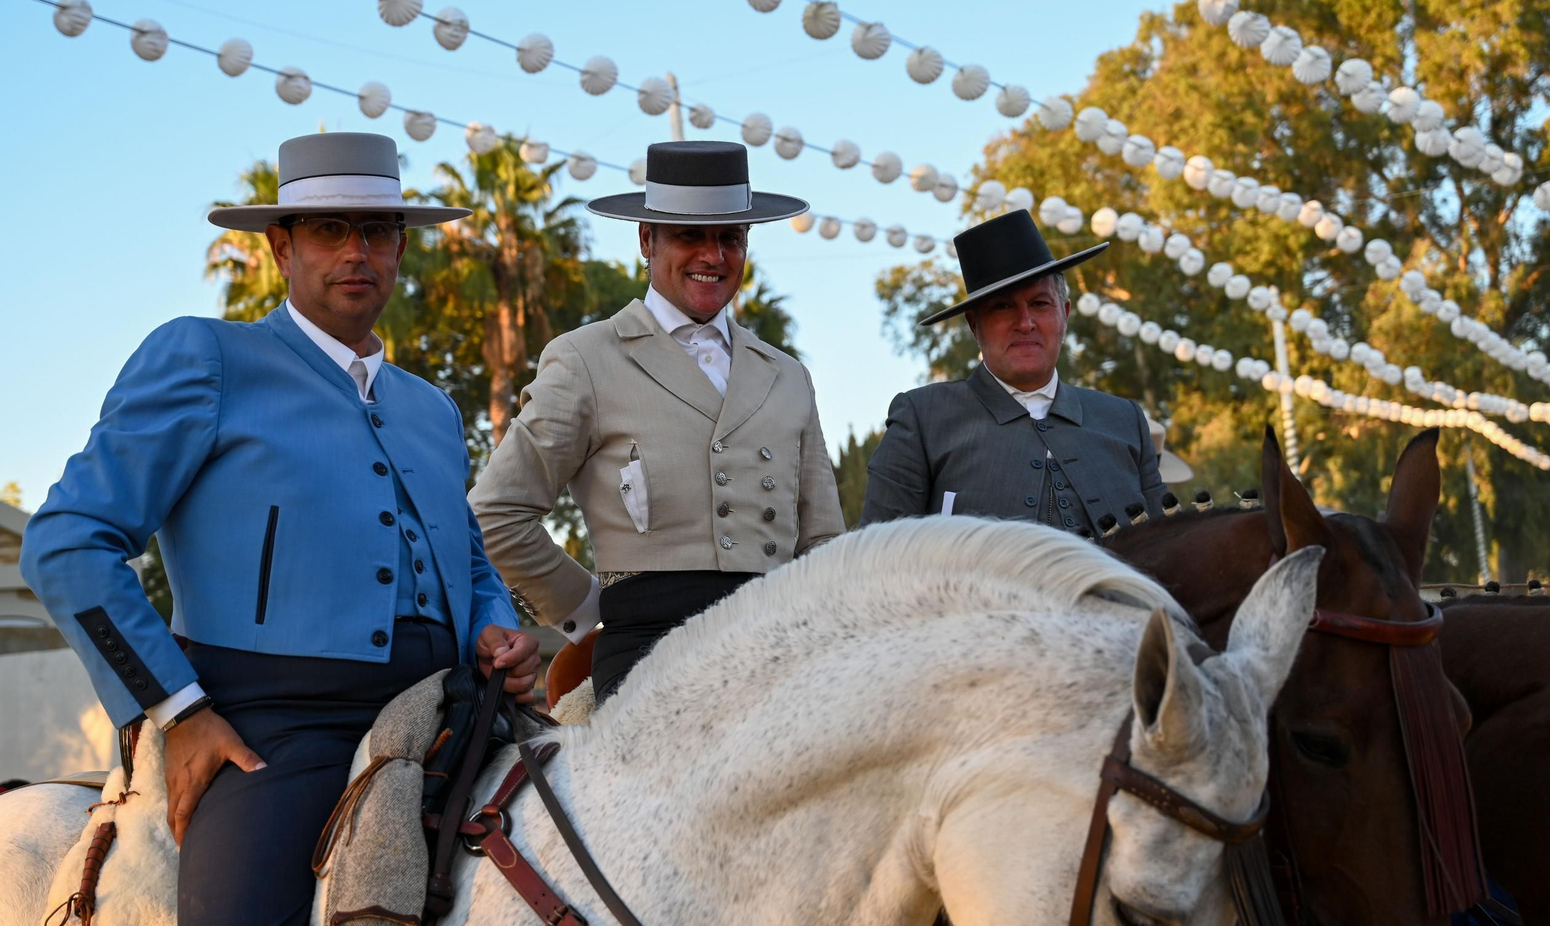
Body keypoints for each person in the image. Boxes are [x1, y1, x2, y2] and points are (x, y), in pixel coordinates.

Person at [21, 132, 535, 926]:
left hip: (453, 710)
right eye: (330, 229)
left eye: (378, 231)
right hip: (279, 728)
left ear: (400, 248)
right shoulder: (208, 356)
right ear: (281, 247)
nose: (357, 251)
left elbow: (468, 562)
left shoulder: (432, 407)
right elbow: (66, 542)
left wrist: (493, 626)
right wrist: (179, 711)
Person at [470, 140, 845, 703]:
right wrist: (589, 609)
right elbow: (496, 513)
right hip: (650, 651)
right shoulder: (585, 359)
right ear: (647, 239)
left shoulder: (788, 375)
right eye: (690, 235)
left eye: (731, 237)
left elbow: (824, 543)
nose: (713, 256)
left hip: (783, 649)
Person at [859, 208, 1170, 535]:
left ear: (1064, 314)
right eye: (1003, 306)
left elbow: (1164, 548)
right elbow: (878, 554)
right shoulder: (924, 419)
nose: (1025, 323)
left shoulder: (1124, 421)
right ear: (974, 325)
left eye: (1040, 304)